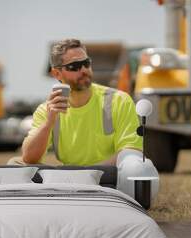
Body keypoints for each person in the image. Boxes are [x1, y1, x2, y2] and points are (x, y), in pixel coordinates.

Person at [8, 38, 143, 166]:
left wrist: (90, 174)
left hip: (108, 176)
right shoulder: (46, 110)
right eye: (75, 66)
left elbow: (130, 151)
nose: (84, 70)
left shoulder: (119, 101)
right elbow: (29, 158)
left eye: (86, 63)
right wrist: (49, 123)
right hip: (70, 177)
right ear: (57, 74)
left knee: (135, 165)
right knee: (15, 163)